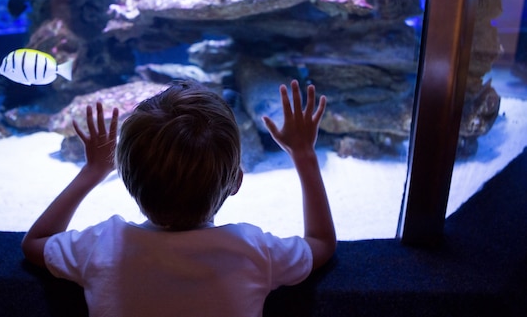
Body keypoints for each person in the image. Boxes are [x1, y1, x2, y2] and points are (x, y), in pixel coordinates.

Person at [21, 79, 336, 317]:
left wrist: (92, 172)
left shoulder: (102, 245)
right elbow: (322, 244)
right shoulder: (255, 251)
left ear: (126, 180)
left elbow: (37, 242)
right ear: (236, 181)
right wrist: (304, 155)